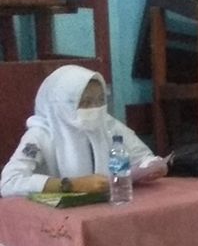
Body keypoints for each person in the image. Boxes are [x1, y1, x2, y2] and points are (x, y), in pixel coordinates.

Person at [1, 65, 167, 198]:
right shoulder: (40, 134)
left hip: (104, 207)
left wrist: (152, 168)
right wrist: (72, 185)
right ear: (61, 104)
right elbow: (9, 182)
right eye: (85, 102)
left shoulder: (107, 124)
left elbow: (143, 157)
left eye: (100, 100)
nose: (95, 109)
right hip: (52, 219)